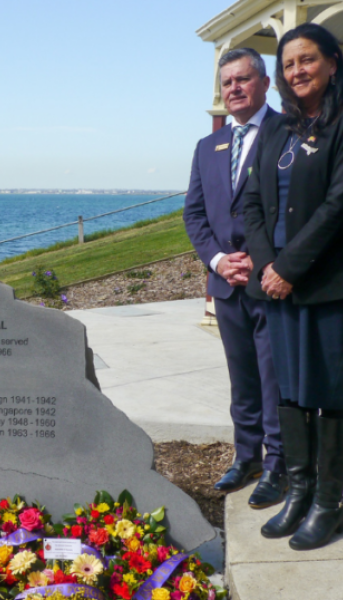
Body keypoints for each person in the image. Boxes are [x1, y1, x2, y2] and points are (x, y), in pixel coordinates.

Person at [243, 22, 343, 551]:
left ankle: (329, 502)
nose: (297, 71)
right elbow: (252, 204)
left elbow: (337, 207)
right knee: (290, 393)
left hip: (325, 285)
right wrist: (266, 268)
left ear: (331, 62)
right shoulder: (275, 130)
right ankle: (299, 493)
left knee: (328, 394)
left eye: (307, 60)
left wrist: (289, 268)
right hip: (276, 286)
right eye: (288, 64)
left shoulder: (341, 124)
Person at [184, 48, 286, 509]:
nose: (234, 89)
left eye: (243, 79)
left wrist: (266, 261)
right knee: (242, 378)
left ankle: (277, 465)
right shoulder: (208, 147)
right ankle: (246, 456)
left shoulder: (288, 133)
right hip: (227, 284)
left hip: (272, 282)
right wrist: (218, 260)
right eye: (227, 83)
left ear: (265, 83)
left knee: (274, 379)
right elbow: (195, 214)